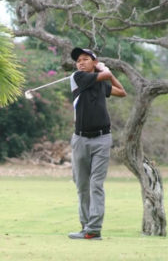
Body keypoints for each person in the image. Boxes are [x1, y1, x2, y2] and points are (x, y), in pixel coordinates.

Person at [68, 47, 126, 240]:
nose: (81, 63)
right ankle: (85, 227)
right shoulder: (78, 78)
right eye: (78, 60)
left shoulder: (100, 82)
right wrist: (104, 69)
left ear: (94, 62)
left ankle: (93, 230)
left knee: (96, 184)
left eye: (85, 59)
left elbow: (121, 92)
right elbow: (105, 73)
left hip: (102, 139)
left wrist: (107, 74)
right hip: (80, 139)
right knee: (82, 185)